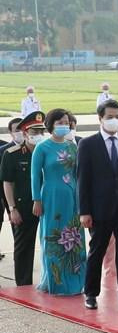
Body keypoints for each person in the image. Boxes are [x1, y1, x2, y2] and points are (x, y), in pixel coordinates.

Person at [78, 99, 118, 313]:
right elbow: (83, 180)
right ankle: (91, 293)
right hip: (99, 209)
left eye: (117, 116)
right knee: (97, 251)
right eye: (109, 117)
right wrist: (84, 211)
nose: (114, 120)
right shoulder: (88, 144)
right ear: (100, 119)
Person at [31, 108, 86, 295]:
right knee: (53, 237)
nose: (64, 125)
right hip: (51, 196)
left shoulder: (72, 146)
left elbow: (78, 174)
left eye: (66, 122)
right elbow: (35, 176)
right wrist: (36, 199)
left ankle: (76, 280)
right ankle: (55, 281)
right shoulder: (42, 147)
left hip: (72, 196)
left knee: (74, 238)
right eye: (59, 122)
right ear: (51, 125)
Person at [1, 111, 44, 285]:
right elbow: (8, 183)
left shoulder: (47, 151)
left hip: (48, 205)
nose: (38, 136)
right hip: (23, 207)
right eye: (34, 132)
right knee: (24, 248)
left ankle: (50, 281)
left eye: (41, 131)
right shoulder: (12, 154)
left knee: (51, 243)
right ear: (25, 133)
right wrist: (12, 209)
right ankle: (24, 284)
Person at [0, 117, 24, 257]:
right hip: (12, 201)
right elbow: (4, 181)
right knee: (19, 238)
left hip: (32, 201)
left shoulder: (34, 148)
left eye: (22, 129)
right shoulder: (4, 151)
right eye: (17, 130)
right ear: (10, 132)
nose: (20, 132)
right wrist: (10, 208)